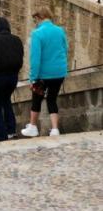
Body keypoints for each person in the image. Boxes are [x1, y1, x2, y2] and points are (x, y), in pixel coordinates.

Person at [21, 8, 68, 138]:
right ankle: (54, 129)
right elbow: (65, 49)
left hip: (44, 74)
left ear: (40, 17)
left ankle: (33, 127)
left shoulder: (37, 34)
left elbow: (35, 59)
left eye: (35, 19)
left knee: (36, 99)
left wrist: (33, 78)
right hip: (59, 73)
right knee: (52, 99)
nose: (35, 22)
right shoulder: (60, 31)